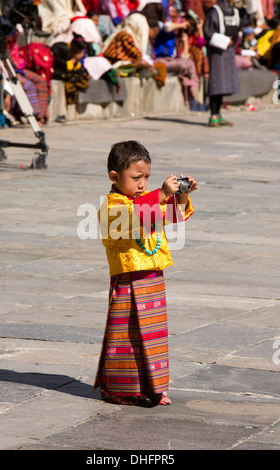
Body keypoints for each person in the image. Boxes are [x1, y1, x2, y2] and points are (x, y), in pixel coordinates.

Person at [94, 140, 197, 406]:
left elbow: (172, 215)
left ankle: (153, 387)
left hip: (152, 278)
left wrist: (181, 195)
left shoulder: (146, 199)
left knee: (153, 336)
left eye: (147, 177)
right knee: (126, 337)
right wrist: (161, 193)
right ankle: (119, 389)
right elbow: (133, 218)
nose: (142, 184)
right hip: (128, 279)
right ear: (114, 177)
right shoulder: (111, 205)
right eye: (136, 178)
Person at [203, 0, 241, 127]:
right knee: (217, 83)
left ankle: (218, 113)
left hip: (229, 51)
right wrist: (224, 40)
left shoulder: (234, 11)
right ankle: (213, 114)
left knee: (225, 84)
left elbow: (248, 17)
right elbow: (207, 31)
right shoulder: (215, 11)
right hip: (217, 52)